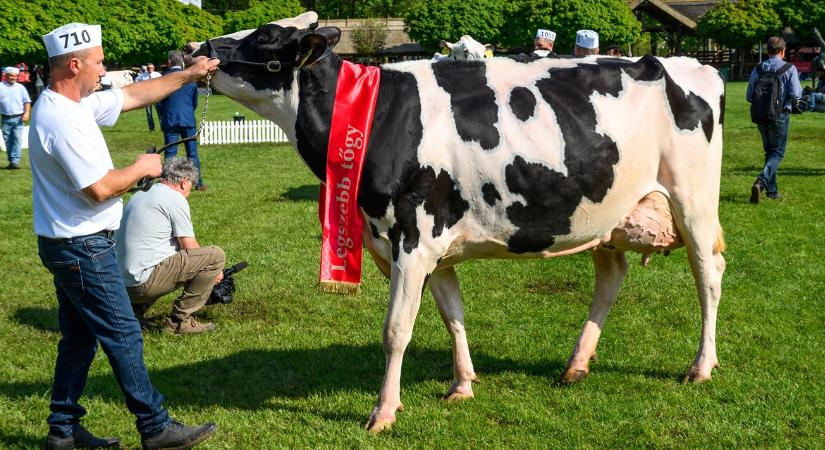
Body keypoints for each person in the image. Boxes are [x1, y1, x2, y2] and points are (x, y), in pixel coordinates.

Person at [29, 22, 220, 449]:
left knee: (80, 339)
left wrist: (189, 74)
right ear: (74, 65)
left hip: (72, 244)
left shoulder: (73, 104)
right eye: (98, 63)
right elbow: (99, 188)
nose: (104, 70)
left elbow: (135, 95)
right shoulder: (61, 118)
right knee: (124, 334)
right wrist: (142, 168)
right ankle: (155, 428)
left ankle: (62, 432)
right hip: (82, 247)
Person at [117, 157, 225, 334]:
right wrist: (214, 272)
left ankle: (133, 315)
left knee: (161, 254)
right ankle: (179, 321)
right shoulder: (174, 198)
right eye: (190, 186)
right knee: (215, 256)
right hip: (142, 285)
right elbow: (188, 246)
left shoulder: (140, 194)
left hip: (121, 284)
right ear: (184, 182)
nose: (189, 192)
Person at [746, 36, 802, 203]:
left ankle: (772, 191)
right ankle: (761, 182)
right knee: (777, 153)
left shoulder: (758, 68)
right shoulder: (789, 68)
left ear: (767, 51)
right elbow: (796, 94)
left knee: (770, 152)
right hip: (780, 115)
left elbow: (749, 95)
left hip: (760, 116)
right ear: (783, 51)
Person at [157, 50, 206, 190]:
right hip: (188, 119)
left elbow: (158, 102)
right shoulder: (190, 78)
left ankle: (167, 182)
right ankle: (198, 183)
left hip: (170, 119)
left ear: (169, 62)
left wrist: (163, 114)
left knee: (170, 153)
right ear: (182, 62)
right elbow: (194, 102)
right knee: (192, 153)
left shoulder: (163, 78)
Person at [0, 66, 32, 169]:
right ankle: (12, 160)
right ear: (5, 76)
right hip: (5, 119)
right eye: (11, 76)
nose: (13, 78)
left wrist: (27, 113)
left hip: (19, 118)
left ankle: (15, 161)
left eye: (15, 76)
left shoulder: (20, 88)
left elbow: (27, 102)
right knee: (8, 140)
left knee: (17, 139)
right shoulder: (0, 87)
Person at [135, 63, 161, 131]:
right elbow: (135, 81)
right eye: (149, 68)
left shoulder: (157, 74)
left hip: (156, 96)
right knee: (149, 113)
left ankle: (163, 127)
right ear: (147, 68)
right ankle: (151, 128)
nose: (150, 69)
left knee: (160, 112)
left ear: (154, 68)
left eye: (151, 68)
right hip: (147, 97)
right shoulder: (142, 75)